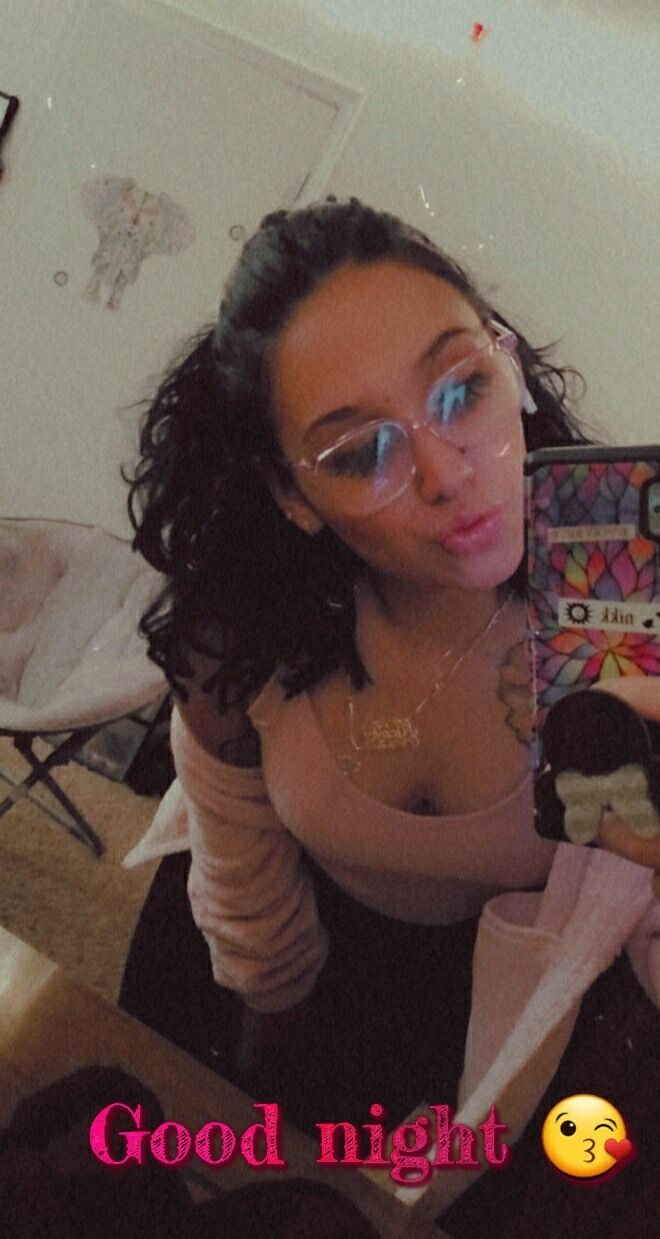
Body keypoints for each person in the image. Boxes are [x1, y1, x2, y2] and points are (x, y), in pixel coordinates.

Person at [120, 197, 659, 1234]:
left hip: (489, 1012)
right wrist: (251, 1090)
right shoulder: (247, 630)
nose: (448, 475)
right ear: (292, 494)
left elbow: (632, 910)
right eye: (361, 453)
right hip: (264, 976)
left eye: (462, 390)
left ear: (507, 364)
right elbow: (244, 886)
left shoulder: (614, 594)